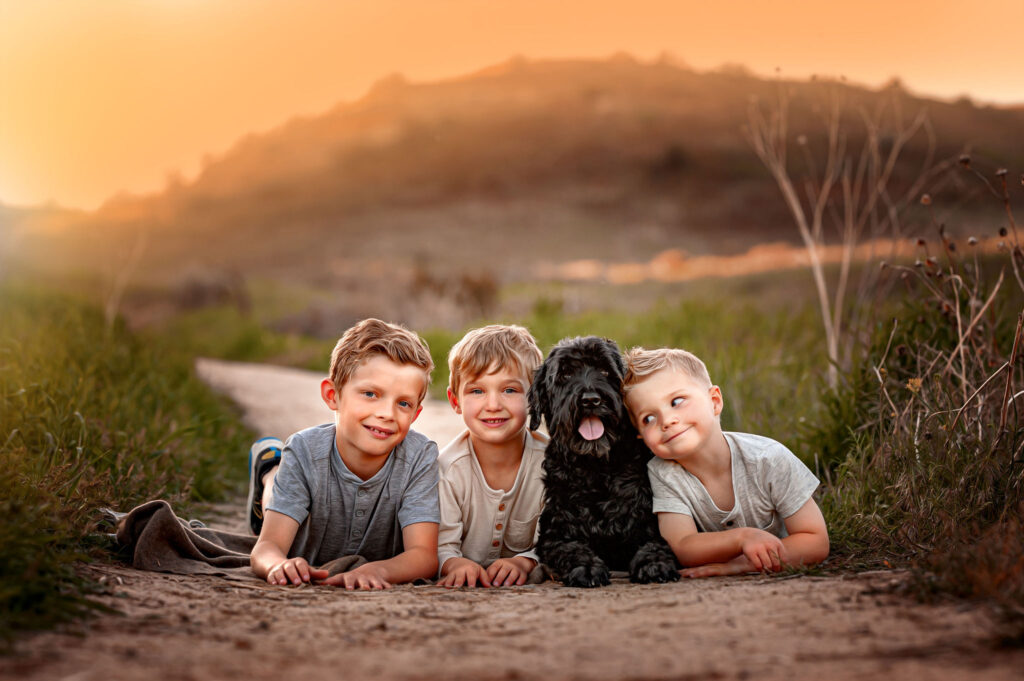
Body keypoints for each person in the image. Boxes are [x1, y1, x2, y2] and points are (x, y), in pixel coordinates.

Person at [247, 318, 440, 589]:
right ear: (332, 395)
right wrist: (278, 564)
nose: (387, 413)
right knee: (275, 503)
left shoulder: (420, 457)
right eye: (371, 394)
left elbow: (424, 556)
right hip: (295, 490)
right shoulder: (304, 450)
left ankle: (274, 471)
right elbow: (266, 548)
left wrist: (380, 570)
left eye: (403, 403)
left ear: (416, 414)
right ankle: (269, 471)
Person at [622, 347, 829, 578]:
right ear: (639, 435)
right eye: (648, 418)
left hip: (782, 554)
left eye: (677, 401)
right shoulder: (663, 472)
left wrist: (742, 564)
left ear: (714, 401)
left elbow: (815, 540)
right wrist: (742, 538)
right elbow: (682, 545)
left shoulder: (769, 459)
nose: (667, 420)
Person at [436, 325, 548, 587]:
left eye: (510, 390)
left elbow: (558, 538)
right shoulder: (447, 470)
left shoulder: (551, 464)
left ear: (535, 398)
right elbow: (440, 544)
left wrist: (526, 560)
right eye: (477, 391)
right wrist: (454, 563)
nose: (494, 405)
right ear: (455, 401)